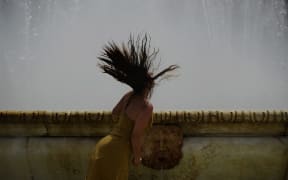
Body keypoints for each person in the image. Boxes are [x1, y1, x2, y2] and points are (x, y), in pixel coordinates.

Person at [86, 34, 179, 180]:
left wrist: (123, 125)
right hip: (118, 152)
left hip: (104, 146)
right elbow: (135, 136)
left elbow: (115, 113)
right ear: (149, 86)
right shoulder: (146, 107)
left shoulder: (128, 96)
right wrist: (137, 157)